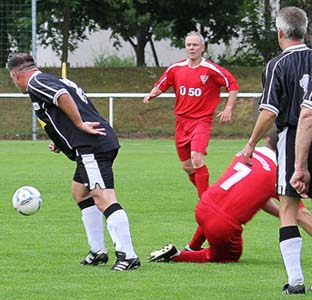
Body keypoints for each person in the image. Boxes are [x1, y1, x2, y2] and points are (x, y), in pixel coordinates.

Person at [7, 53, 140, 271]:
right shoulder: (51, 79)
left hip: (92, 147)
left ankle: (129, 256)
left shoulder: (36, 82)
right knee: (80, 193)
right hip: (92, 144)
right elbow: (66, 107)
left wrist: (79, 125)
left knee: (103, 197)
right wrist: (61, 140)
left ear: (15, 75)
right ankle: (98, 252)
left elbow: (63, 98)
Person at [148, 133, 312, 267]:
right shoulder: (277, 171)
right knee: (225, 256)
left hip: (204, 206)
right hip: (223, 226)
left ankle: (191, 247)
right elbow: (301, 215)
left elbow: (260, 197)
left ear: (269, 139)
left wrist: (285, 215)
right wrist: (290, 216)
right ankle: (177, 255)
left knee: (217, 211)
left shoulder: (247, 154)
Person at [240, 6, 312, 294]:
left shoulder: (276, 65)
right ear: (305, 31)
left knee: (288, 207)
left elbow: (269, 112)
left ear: (280, 33)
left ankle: (295, 280)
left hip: (294, 137)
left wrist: (251, 143)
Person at [143, 31, 239, 198]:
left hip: (201, 121)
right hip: (181, 123)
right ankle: (211, 196)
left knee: (196, 158)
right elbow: (162, 84)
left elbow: (232, 84)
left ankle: (205, 203)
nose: (191, 48)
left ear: (202, 48)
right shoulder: (176, 68)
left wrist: (228, 108)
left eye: (195, 45)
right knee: (187, 166)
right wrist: (152, 94)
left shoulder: (210, 69)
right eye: (188, 45)